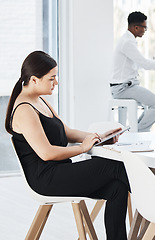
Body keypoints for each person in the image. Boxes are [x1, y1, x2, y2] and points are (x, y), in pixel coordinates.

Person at [5, 51, 131, 240]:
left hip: (60, 172)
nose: (56, 83)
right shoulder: (24, 109)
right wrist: (83, 148)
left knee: (116, 188)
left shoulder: (40, 101)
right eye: (52, 78)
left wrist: (98, 137)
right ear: (34, 79)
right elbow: (46, 153)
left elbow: (67, 132)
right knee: (113, 166)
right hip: (46, 179)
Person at [111, 11, 155, 132]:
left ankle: (134, 130)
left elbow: (138, 64)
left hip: (126, 86)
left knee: (150, 105)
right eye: (144, 27)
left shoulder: (128, 40)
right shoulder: (127, 42)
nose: (145, 30)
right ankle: (139, 132)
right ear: (136, 27)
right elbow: (145, 65)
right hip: (123, 88)